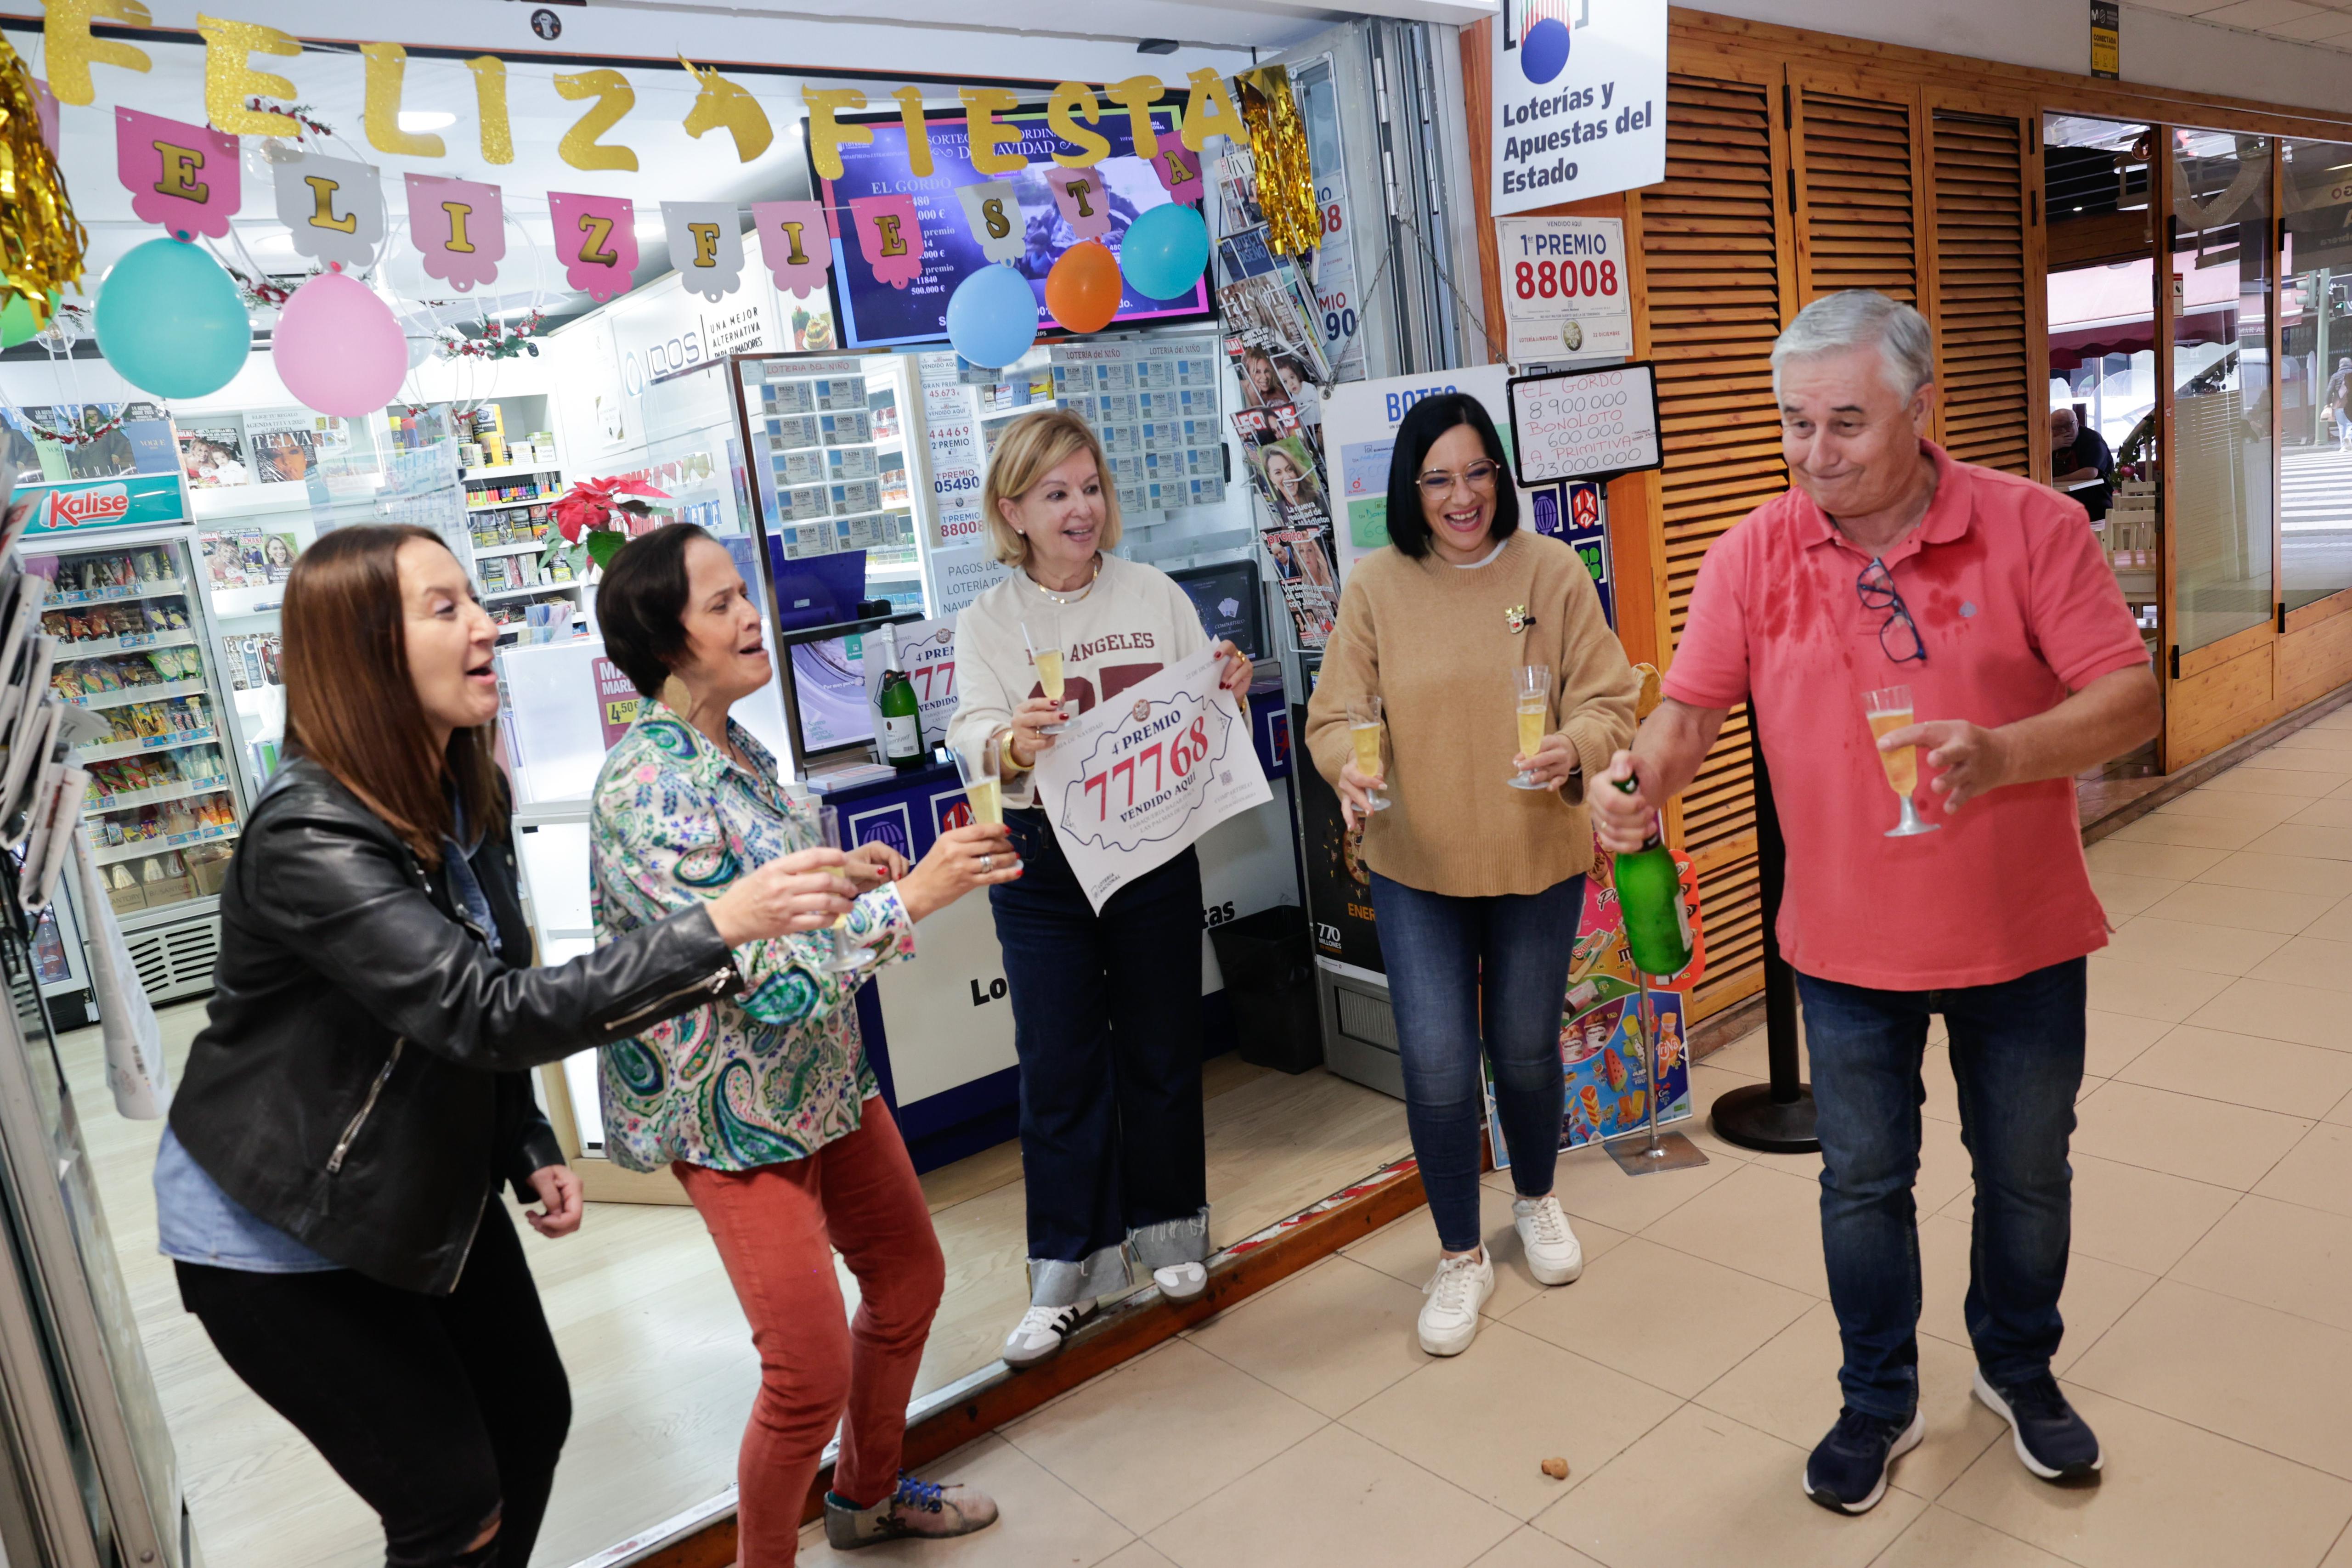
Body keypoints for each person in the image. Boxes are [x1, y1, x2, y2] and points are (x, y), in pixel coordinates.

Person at [161, 524, 847, 1568]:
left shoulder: (457, 787)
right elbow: (480, 1006)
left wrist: (521, 1134)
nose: (487, 624)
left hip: (420, 1180)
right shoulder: (310, 837)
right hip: (280, 1222)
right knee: (448, 1500)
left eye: (476, 599)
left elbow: (479, 970)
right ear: (366, 651)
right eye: (445, 609)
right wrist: (715, 923)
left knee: (529, 1417)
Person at [1594, 290, 2159, 1514]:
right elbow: (1689, 710)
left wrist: (2006, 753)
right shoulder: (1754, 550)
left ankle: (2019, 1366)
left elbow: (2131, 698)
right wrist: (1642, 777)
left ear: (1921, 407)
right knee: (1861, 1182)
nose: (1814, 453)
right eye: (1794, 423)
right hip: (1843, 946)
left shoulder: (2033, 529)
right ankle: (1876, 1394)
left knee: (2024, 1172)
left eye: (1845, 421)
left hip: (2020, 933)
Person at [589, 525, 1020, 1563]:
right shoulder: (642, 788)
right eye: (722, 601)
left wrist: (850, 875)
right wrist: (916, 893)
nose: (752, 616)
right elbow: (761, 978)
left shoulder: (743, 747)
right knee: (806, 1370)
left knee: (909, 1277)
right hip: (731, 1113)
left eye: (747, 593)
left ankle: (866, 1498)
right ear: (663, 635)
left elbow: (779, 907)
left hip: (824, 1080)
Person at [1304, 393, 1640, 1358]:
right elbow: (1334, 717)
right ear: (1411, 491)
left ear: (1501, 473)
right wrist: (1348, 770)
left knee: (1528, 1048)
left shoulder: (1551, 571)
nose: (1463, 496)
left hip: (1535, 851)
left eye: (1477, 472)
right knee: (1442, 1064)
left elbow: (1611, 699)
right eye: (1439, 479)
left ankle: (1536, 1199)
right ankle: (1459, 1253)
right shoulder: (1376, 586)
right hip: (1416, 863)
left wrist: (1574, 747)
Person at [946, 408, 1254, 1368]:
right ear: (1015, 511)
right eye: (1056, 494)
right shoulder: (988, 621)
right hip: (1042, 863)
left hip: (1151, 846)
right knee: (1058, 1059)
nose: (1080, 509)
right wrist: (1009, 743)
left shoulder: (1154, 593)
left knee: (1163, 1042)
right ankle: (1066, 1270)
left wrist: (1229, 678)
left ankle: (1170, 1233)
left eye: (1089, 488)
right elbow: (968, 736)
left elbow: (1197, 704)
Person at [2048, 407, 2112, 522]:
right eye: (2057, 428)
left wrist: (2055, 480)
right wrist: (2051, 448)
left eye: (2068, 425)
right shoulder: (2048, 441)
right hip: (2061, 500)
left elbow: (2090, 472)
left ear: (2077, 423)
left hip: (2094, 498)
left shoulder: (2091, 439)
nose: (2064, 432)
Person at [2327, 356, 2352, 451]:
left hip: (2338, 404)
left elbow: (2329, 391)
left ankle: (2343, 446)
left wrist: (2327, 403)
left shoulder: (2335, 376)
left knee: (2342, 425)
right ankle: (2349, 437)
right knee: (2350, 423)